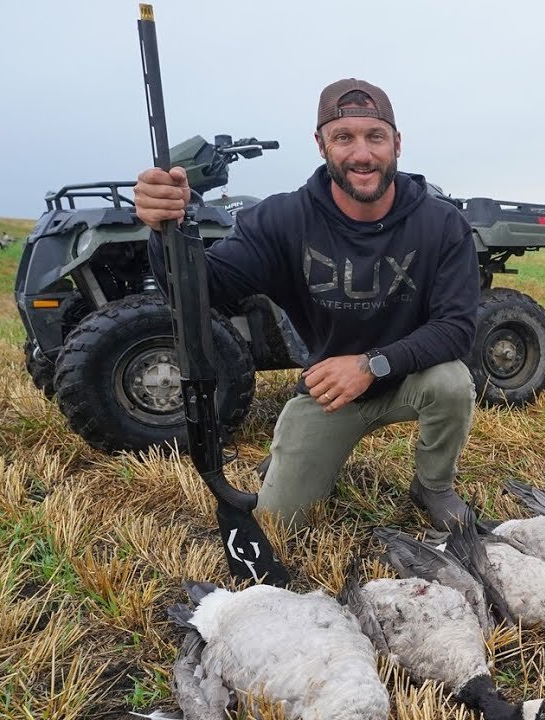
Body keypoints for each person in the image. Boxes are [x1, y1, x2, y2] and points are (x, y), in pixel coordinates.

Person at [133, 78, 479, 531]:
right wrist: (165, 232)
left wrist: (371, 365)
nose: (362, 154)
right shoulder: (282, 219)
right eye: (344, 138)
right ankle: (293, 457)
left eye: (375, 137)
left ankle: (433, 485)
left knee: (452, 381)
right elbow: (204, 291)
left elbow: (457, 328)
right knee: (280, 525)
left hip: (407, 376)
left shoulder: (441, 223)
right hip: (328, 390)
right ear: (321, 145)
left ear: (397, 143)